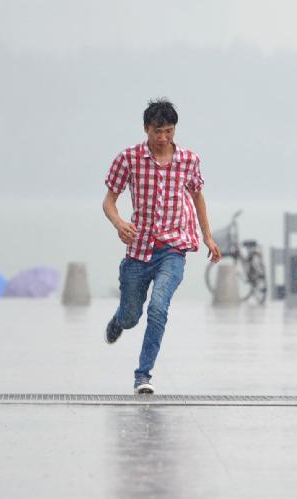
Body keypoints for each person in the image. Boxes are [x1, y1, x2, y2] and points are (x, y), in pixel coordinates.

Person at [102, 98, 221, 394]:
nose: (163, 138)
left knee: (158, 308)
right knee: (132, 316)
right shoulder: (128, 159)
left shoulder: (189, 161)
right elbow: (109, 202)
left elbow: (197, 197)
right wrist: (119, 224)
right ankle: (120, 319)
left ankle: (143, 375)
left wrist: (207, 236)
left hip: (174, 248)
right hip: (139, 251)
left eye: (169, 131)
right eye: (158, 131)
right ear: (146, 129)